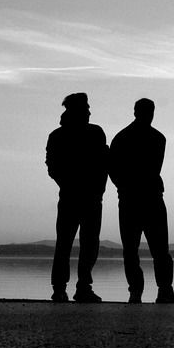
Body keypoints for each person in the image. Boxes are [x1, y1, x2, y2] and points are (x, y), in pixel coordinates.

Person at [109, 98, 174, 304]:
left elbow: (114, 170)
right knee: (142, 249)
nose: (149, 115)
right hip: (143, 198)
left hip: (138, 199)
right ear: (138, 112)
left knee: (149, 249)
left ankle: (152, 290)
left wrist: (124, 187)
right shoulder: (155, 138)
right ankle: (148, 290)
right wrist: (125, 187)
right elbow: (115, 170)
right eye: (147, 111)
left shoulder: (125, 138)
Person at [45, 92, 109, 303]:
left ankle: (81, 287)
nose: (90, 111)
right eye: (87, 108)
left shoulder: (95, 133)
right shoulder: (59, 136)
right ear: (77, 110)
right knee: (66, 243)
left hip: (87, 197)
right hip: (73, 197)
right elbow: (53, 166)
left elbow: (103, 163)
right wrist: (69, 184)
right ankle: (62, 288)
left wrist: (99, 189)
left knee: (87, 244)